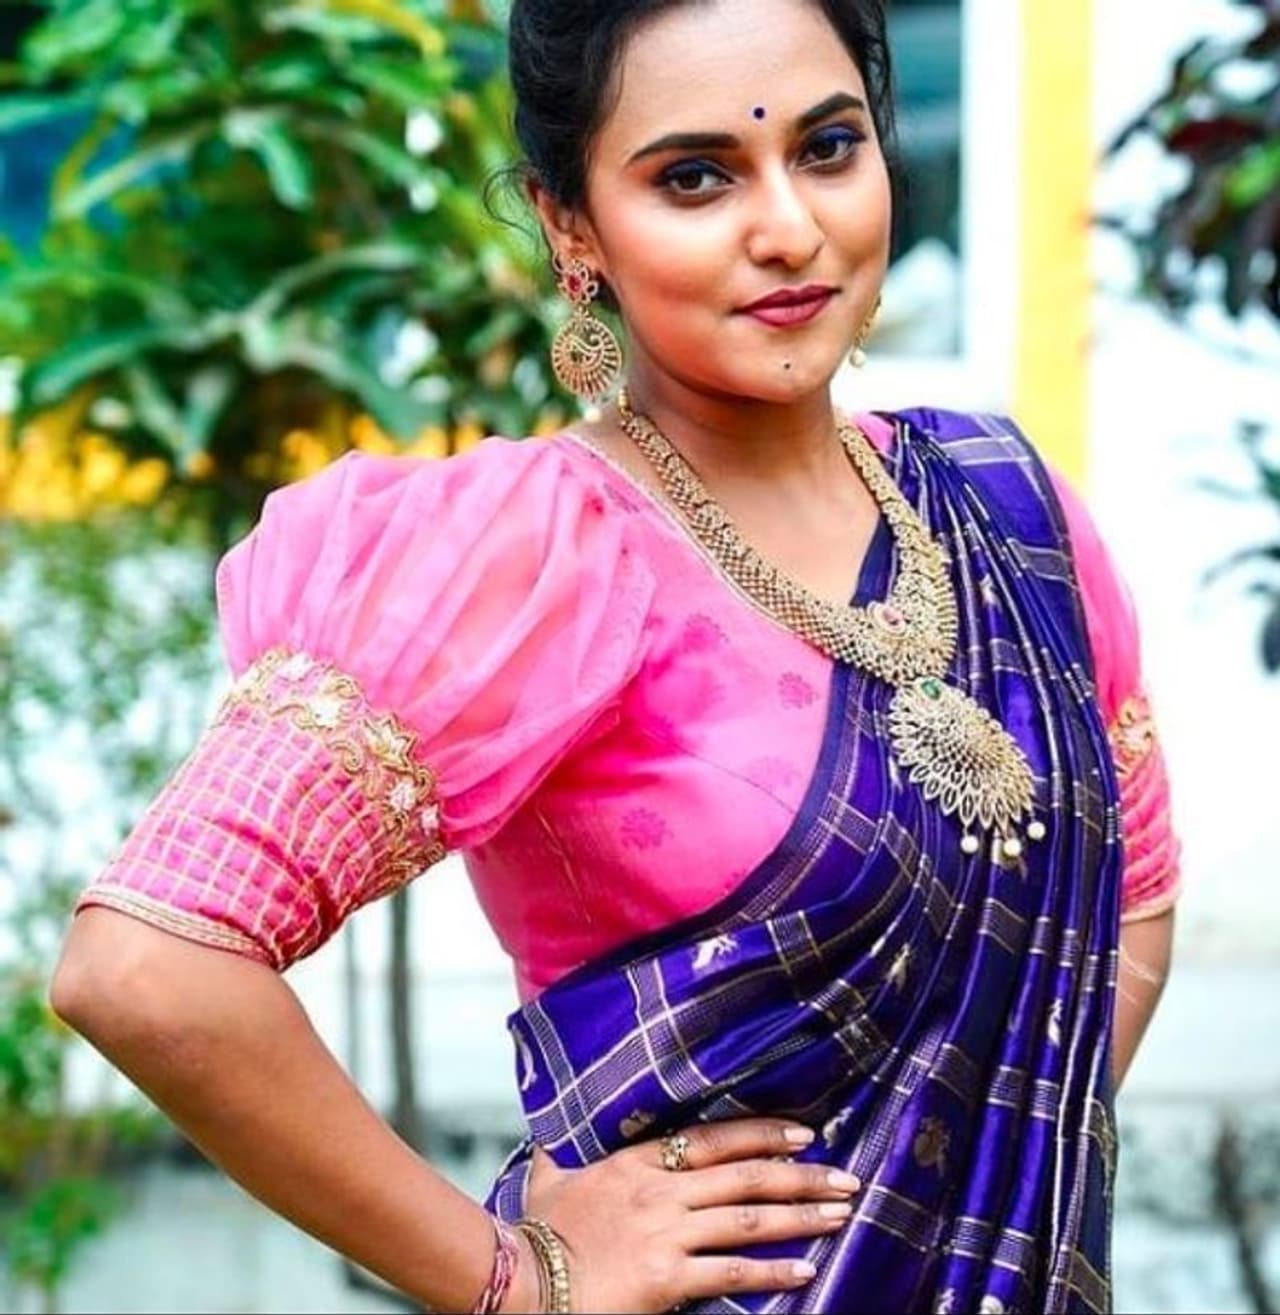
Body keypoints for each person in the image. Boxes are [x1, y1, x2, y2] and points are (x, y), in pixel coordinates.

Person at [49, 1, 1182, 1311]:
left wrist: (984, 1181)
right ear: (569, 226)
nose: (788, 228)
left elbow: (1135, 885)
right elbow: (148, 968)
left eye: (827, 148)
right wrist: (517, 1279)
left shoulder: (1007, 506)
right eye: (695, 177)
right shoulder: (532, 555)